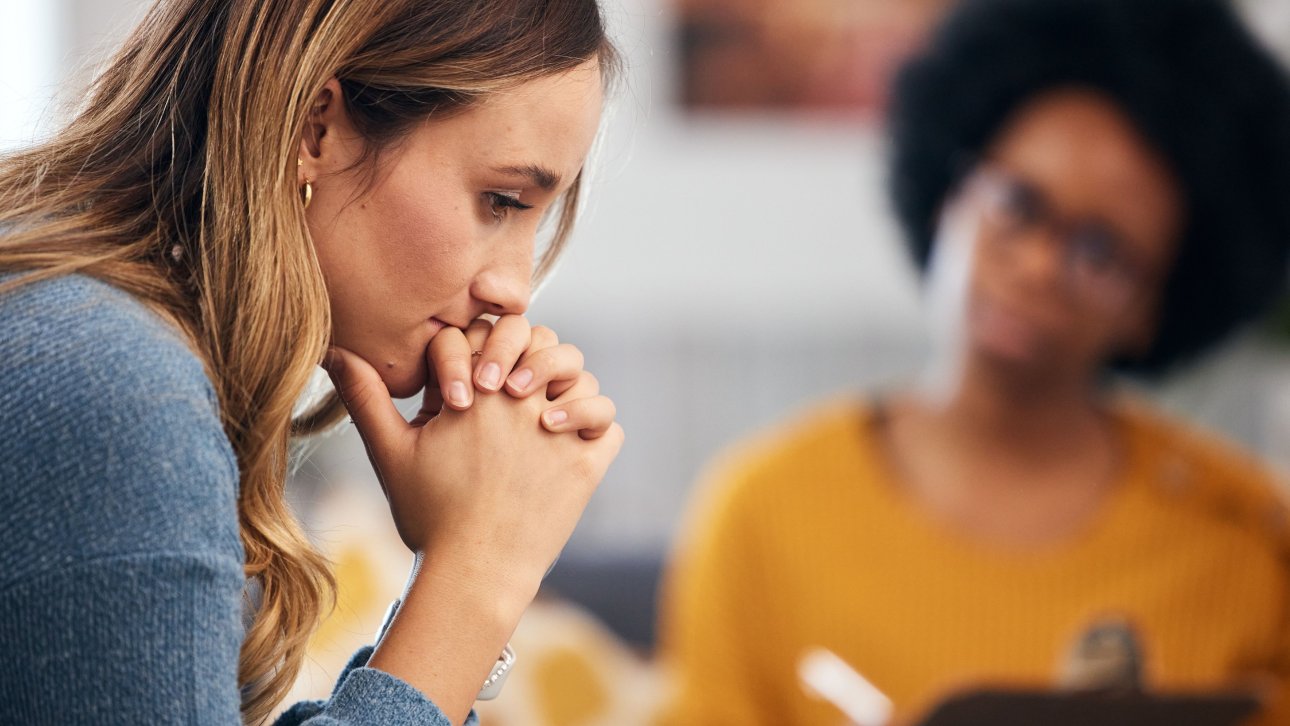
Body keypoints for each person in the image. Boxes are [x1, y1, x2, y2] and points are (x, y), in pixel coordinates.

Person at [658, 0, 1290, 723]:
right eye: (1018, 204)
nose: (1037, 267)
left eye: (1100, 251)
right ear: (949, 195)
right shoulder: (761, 511)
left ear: (1155, 306)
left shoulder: (1252, 538)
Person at [0, 1, 624, 724]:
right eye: (501, 200)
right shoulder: (116, 391)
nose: (512, 291)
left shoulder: (82, 334)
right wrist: (478, 574)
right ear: (314, 128)